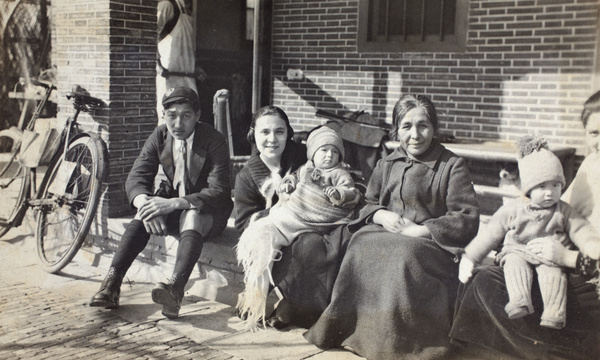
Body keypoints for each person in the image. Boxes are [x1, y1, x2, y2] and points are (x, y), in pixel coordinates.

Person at [304, 94, 480, 360]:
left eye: (423, 126)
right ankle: (353, 332)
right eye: (406, 126)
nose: (415, 134)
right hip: (388, 233)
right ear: (397, 130)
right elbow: (366, 202)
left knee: (403, 255)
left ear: (434, 130)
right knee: (360, 243)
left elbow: (466, 217)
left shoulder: (451, 165)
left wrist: (423, 229)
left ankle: (398, 344)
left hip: (431, 246)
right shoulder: (387, 163)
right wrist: (380, 215)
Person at [450, 90, 600, 360]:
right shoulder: (591, 164)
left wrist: (566, 257)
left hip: (589, 276)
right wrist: (526, 209)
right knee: (484, 277)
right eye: (594, 134)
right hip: (555, 258)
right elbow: (559, 209)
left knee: (491, 286)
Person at [90, 86, 233, 319]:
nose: (178, 124)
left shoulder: (214, 140)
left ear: (197, 116)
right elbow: (137, 177)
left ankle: (175, 289)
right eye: (171, 115)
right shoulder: (160, 135)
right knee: (143, 211)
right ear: (163, 115)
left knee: (192, 214)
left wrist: (175, 204)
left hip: (208, 211)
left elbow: (218, 191)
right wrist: (145, 204)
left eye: (186, 116)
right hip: (171, 206)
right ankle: (111, 284)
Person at [459, 135, 600, 330]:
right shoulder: (515, 209)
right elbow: (491, 232)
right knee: (515, 266)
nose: (550, 192)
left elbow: (579, 228)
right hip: (518, 249)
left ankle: (554, 313)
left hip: (549, 254)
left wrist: (591, 245)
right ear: (528, 189)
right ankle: (519, 300)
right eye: (542, 186)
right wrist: (471, 256)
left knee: (554, 275)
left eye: (556, 185)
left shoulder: (563, 210)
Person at [233, 106, 355, 329]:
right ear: (253, 134)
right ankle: (260, 297)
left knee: (312, 244)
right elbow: (243, 222)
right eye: (265, 132)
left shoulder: (304, 155)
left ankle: (295, 305)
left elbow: (335, 165)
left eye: (279, 132)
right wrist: (280, 211)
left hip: (313, 225)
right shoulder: (246, 176)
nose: (272, 139)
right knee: (273, 242)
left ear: (288, 133)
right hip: (277, 232)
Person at [156, 0, 204, 118]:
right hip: (169, 77)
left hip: (188, 78)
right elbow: (150, 34)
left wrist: (195, 66)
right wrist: (157, 64)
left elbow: (188, 44)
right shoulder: (167, 6)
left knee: (191, 118)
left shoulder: (188, 12)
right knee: (169, 118)